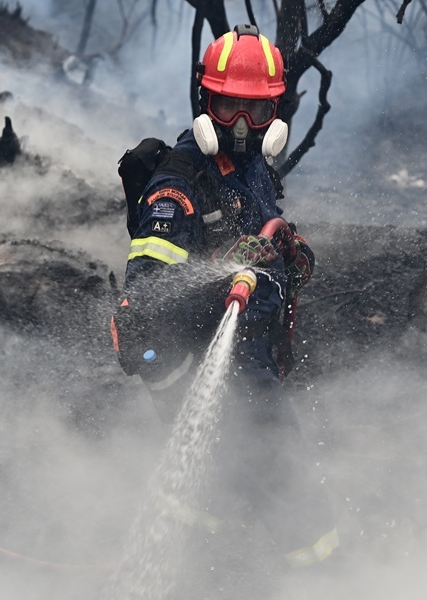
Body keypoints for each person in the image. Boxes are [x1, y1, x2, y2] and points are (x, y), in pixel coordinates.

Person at [112, 24, 338, 571]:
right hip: (217, 366)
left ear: (274, 111)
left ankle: (199, 566)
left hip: (254, 355)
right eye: (229, 108)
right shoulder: (177, 187)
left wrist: (284, 245)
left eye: (256, 112)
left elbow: (261, 226)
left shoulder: (253, 161)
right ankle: (325, 576)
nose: (241, 126)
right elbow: (150, 296)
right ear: (205, 100)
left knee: (213, 482)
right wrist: (222, 272)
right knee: (287, 481)